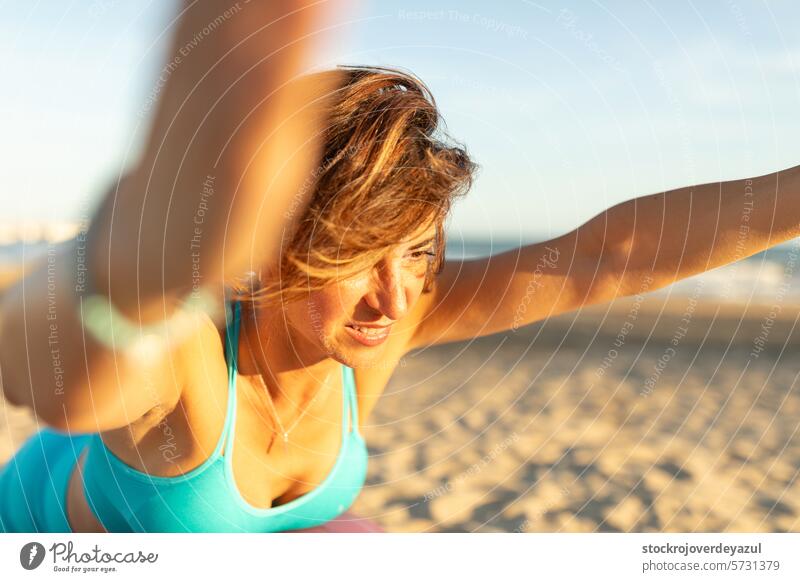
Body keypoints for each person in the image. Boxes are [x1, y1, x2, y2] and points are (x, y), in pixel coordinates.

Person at [2, 3, 800, 533]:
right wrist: (136, 258)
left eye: (417, 251)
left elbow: (605, 257)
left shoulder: (384, 325)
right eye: (357, 257)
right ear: (263, 257)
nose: (396, 295)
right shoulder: (187, 360)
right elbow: (48, 373)